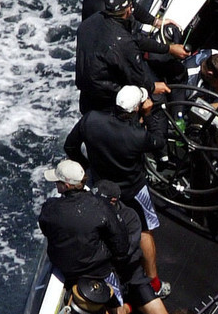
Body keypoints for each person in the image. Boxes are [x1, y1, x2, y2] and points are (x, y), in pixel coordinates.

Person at [65, 85, 167, 296]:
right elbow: (158, 141)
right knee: (145, 232)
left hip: (100, 186)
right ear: (136, 109)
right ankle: (154, 283)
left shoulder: (91, 120)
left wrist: (88, 167)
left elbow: (70, 147)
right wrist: (149, 116)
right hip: (133, 189)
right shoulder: (137, 136)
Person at [37, 160, 136, 314]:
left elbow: (46, 229)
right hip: (98, 270)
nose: (55, 185)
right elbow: (121, 244)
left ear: (66, 186)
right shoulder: (100, 206)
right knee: (117, 312)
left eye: (57, 182)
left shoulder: (50, 208)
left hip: (67, 272)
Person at [74, 0, 167, 113]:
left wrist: (168, 48)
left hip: (87, 97)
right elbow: (136, 75)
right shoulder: (124, 43)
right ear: (129, 10)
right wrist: (152, 87)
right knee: (158, 107)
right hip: (109, 101)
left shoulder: (87, 24)